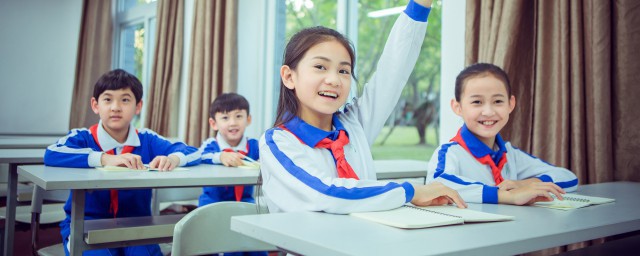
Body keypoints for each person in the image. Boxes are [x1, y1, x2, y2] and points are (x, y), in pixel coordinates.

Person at [259, 0, 466, 214]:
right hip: (310, 248)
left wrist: (419, 6)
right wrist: (410, 191)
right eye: (320, 67)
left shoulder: (353, 126)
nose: (334, 79)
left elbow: (393, 71)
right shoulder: (278, 142)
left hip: (366, 244)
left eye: (344, 71)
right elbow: (326, 193)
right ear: (288, 76)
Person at [44, 69, 201, 256]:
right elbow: (51, 153)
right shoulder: (83, 137)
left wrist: (173, 158)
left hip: (137, 225)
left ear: (138, 106)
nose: (116, 107)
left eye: (125, 100)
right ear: (95, 105)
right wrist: (104, 158)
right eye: (108, 99)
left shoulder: (147, 139)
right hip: (85, 225)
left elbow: (193, 152)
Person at [426, 63, 579, 205]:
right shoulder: (450, 153)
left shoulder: (510, 154)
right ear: (458, 107)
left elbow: (568, 178)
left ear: (510, 104)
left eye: (498, 101)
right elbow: (438, 185)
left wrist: (526, 184)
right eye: (477, 102)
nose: (488, 112)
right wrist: (505, 195)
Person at [198, 93, 258, 206]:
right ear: (213, 124)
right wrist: (220, 156)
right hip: (211, 204)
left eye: (239, 116)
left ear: (248, 120)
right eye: (225, 118)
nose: (233, 123)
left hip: (245, 203)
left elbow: (270, 157)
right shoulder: (211, 145)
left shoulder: (254, 146)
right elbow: (199, 156)